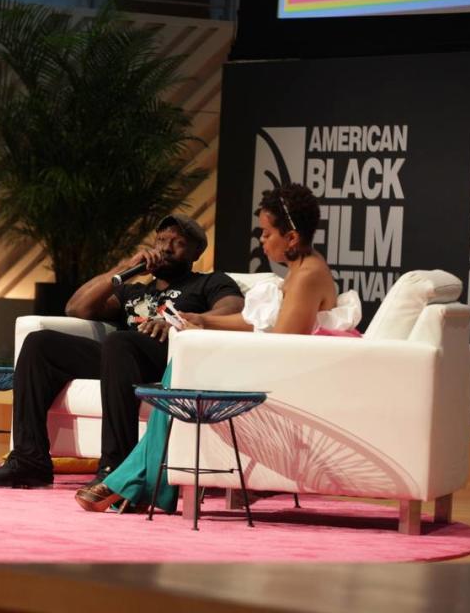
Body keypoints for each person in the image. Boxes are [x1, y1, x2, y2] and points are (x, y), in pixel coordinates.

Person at [75, 182, 361, 513]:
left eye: (267, 234)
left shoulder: (307, 275)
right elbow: (258, 322)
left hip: (285, 373)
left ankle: (134, 483)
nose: (262, 240)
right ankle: (138, 483)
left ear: (292, 238)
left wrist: (218, 347)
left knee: (183, 373)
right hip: (275, 361)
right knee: (180, 369)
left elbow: (282, 346)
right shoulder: (300, 268)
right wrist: (200, 320)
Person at [0, 214, 244, 489]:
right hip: (121, 358)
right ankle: (29, 462)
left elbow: (233, 309)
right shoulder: (134, 291)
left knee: (119, 342)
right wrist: (126, 267)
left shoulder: (209, 283)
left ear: (196, 252)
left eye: (177, 243)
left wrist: (180, 322)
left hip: (171, 357)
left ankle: (116, 467)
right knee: (39, 343)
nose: (165, 248)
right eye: (161, 240)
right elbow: (76, 308)